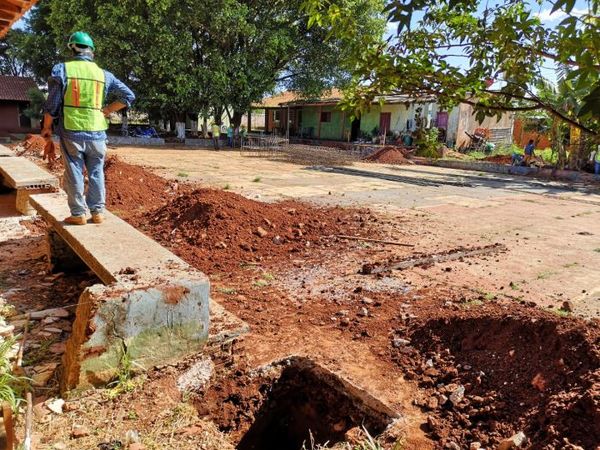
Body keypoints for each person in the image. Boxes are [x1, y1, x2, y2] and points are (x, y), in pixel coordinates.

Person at [41, 32, 135, 225]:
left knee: (75, 170)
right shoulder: (104, 75)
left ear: (72, 48)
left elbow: (52, 104)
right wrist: (108, 110)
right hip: (98, 132)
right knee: (96, 171)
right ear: (91, 51)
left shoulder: (63, 70)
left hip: (72, 129)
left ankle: (78, 214)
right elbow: (129, 96)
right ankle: (97, 212)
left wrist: (47, 127)